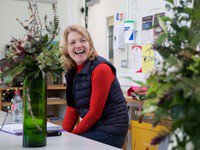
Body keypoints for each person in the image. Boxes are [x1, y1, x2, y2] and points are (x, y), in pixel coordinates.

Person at [60, 25, 128, 148]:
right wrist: (63, 134)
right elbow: (72, 108)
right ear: (67, 49)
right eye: (72, 42)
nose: (78, 45)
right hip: (93, 128)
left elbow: (94, 113)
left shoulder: (101, 68)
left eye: (83, 40)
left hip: (110, 132)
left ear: (89, 44)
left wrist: (71, 137)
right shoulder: (71, 71)